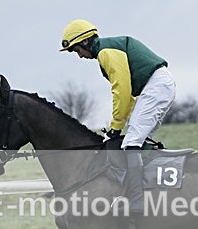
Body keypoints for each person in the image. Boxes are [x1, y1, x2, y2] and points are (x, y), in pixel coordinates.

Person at [60, 19, 176, 214]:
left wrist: (115, 127)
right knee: (134, 139)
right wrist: (119, 126)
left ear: (86, 42)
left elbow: (121, 91)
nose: (78, 55)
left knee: (131, 142)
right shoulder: (107, 51)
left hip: (155, 86)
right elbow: (128, 97)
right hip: (156, 86)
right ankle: (148, 186)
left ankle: (137, 201)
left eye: (76, 50)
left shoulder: (106, 52)